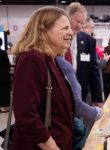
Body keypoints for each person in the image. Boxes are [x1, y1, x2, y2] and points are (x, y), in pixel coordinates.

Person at [12, 6, 74, 149]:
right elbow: (26, 115)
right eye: (65, 28)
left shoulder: (50, 59)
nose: (71, 32)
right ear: (43, 30)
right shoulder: (32, 59)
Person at [66, 2, 103, 107]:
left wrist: (97, 98)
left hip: (80, 95)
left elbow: (93, 70)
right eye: (77, 21)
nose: (79, 26)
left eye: (82, 23)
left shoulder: (88, 41)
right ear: (67, 17)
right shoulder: (58, 38)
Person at [0, 37, 11, 113]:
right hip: (2, 75)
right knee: (3, 91)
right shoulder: (3, 53)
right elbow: (8, 65)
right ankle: (3, 107)